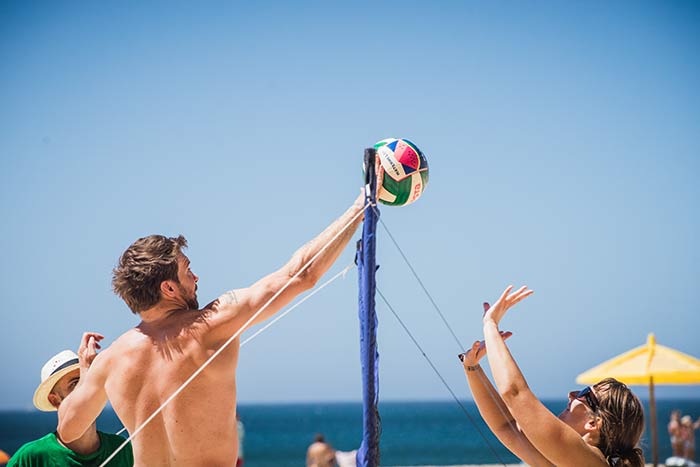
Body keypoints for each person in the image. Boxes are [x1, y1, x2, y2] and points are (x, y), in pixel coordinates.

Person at [57, 193, 366, 466]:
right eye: (187, 270)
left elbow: (69, 428)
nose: (196, 278)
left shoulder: (111, 360)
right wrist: (361, 206)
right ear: (169, 288)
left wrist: (87, 374)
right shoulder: (211, 323)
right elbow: (302, 274)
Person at [462, 285, 646, 467]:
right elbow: (506, 424)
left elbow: (515, 393)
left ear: (594, 422)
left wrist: (490, 324)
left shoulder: (589, 462)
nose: (571, 395)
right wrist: (472, 368)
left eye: (583, 394)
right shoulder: (570, 460)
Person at [8, 333, 133, 466]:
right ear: (54, 400)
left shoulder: (122, 448)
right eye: (75, 383)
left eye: (90, 379)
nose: (87, 388)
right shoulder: (31, 458)